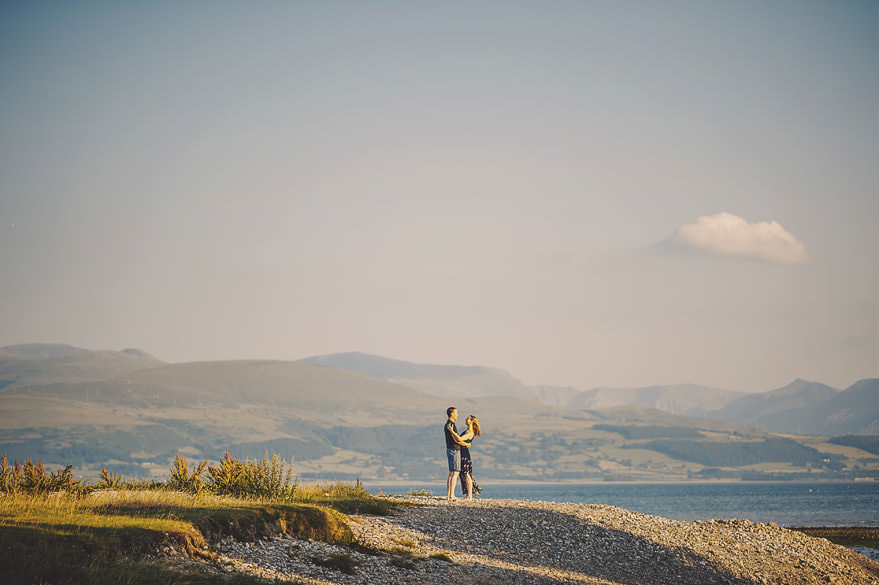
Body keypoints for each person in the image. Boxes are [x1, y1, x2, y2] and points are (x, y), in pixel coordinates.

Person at [444, 406, 469, 501]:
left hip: (449, 449)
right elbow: (456, 439)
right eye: (456, 413)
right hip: (454, 449)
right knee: (455, 472)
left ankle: (449, 494)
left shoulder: (447, 424)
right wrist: (465, 444)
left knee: (451, 473)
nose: (457, 415)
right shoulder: (452, 425)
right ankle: (451, 495)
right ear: (452, 413)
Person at [457, 415, 482, 499]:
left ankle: (469, 495)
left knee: (466, 474)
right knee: (465, 474)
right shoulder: (467, 431)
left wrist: (452, 433)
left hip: (464, 453)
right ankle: (469, 494)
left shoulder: (470, 432)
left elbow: (459, 439)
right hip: (462, 452)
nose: (465, 419)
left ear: (471, 421)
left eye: (467, 418)